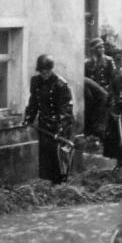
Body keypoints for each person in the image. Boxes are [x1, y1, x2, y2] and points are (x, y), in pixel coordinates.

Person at [23, 54, 74, 184]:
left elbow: (66, 109)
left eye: (46, 72)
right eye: (41, 72)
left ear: (51, 69)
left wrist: (60, 127)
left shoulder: (60, 84)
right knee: (45, 153)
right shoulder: (35, 81)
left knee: (58, 154)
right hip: (44, 123)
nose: (43, 74)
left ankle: (60, 182)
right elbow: (33, 101)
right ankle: (48, 181)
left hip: (60, 123)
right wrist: (29, 117)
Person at [84, 37, 116, 139]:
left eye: (102, 47)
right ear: (93, 50)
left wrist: (112, 92)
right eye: (98, 47)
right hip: (93, 91)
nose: (101, 49)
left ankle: (99, 128)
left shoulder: (109, 60)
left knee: (104, 97)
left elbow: (113, 78)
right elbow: (86, 80)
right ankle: (91, 129)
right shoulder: (87, 63)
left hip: (105, 90)